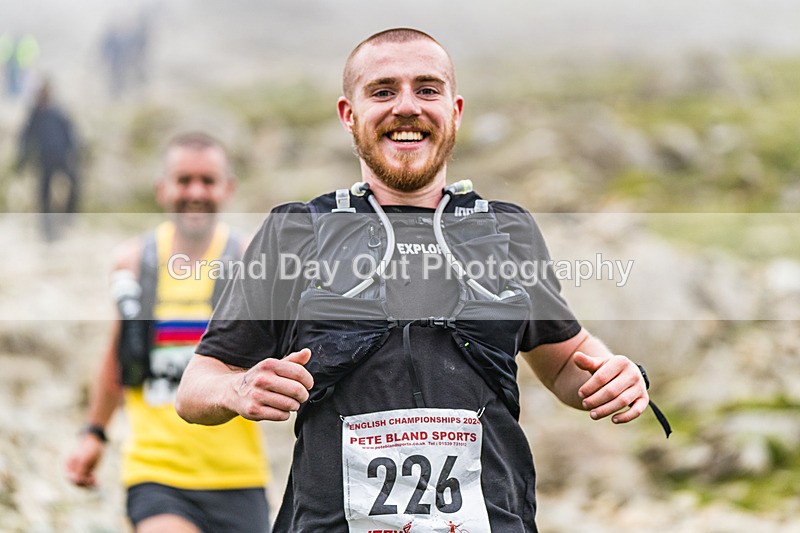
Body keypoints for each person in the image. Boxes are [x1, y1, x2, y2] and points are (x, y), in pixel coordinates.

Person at [175, 29, 668, 533]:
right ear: (349, 114)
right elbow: (196, 386)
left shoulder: (505, 230)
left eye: (427, 89)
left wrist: (614, 375)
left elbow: (566, 361)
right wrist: (237, 388)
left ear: (455, 110)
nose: (407, 106)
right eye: (383, 91)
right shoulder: (296, 231)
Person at [66, 132, 272, 533]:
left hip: (240, 476)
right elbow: (117, 357)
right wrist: (94, 433)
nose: (195, 192)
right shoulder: (133, 262)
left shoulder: (251, 260)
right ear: (162, 188)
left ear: (228, 188)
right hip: (156, 472)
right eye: (183, 180)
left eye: (207, 181)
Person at [16, 79, 81, 240]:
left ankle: (68, 218)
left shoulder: (58, 112)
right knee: (44, 192)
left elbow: (70, 132)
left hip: (61, 156)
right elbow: (26, 137)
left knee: (74, 183)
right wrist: (23, 158)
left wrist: (74, 151)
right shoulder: (36, 114)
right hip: (45, 159)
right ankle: (45, 226)